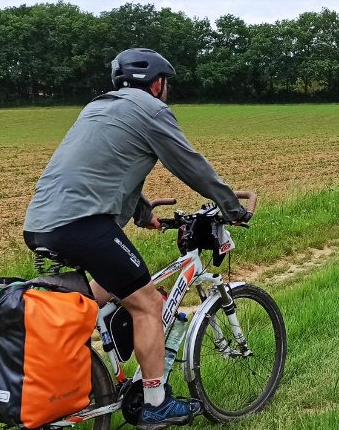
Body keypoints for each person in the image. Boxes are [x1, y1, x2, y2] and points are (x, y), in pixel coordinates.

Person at [22, 48, 251, 430]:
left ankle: (82, 364)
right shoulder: (152, 110)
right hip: (83, 224)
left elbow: (106, 168)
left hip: (41, 222)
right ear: (157, 84)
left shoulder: (97, 108)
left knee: (108, 287)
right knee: (145, 304)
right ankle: (156, 404)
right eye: (167, 84)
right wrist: (231, 207)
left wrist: (144, 215)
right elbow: (189, 163)